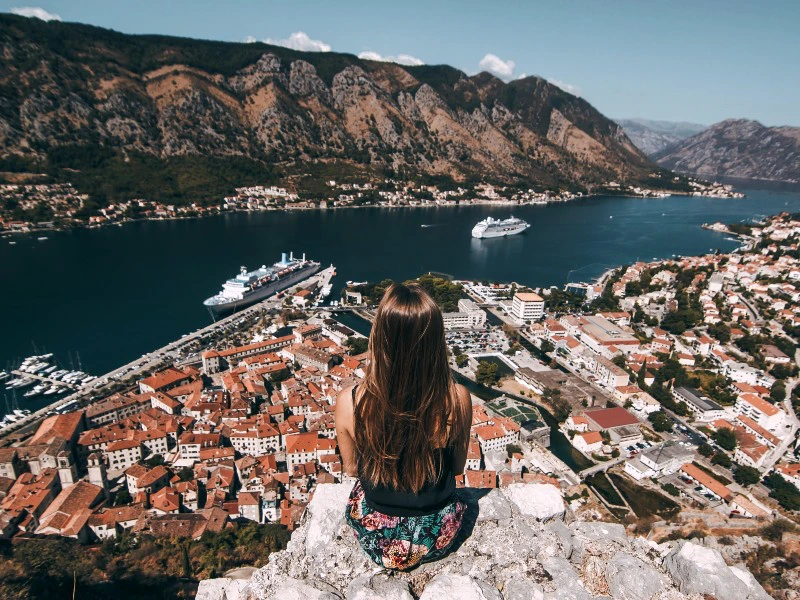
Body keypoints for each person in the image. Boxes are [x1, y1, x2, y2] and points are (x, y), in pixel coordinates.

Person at [335, 282, 472, 571]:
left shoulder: (350, 402)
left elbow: (351, 469)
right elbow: (457, 469)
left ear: (379, 337)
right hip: (436, 535)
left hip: (378, 537)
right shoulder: (457, 399)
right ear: (436, 340)